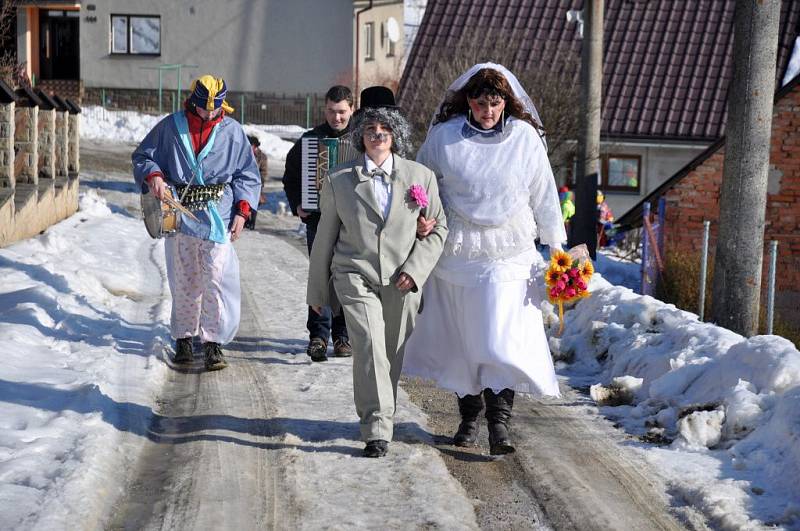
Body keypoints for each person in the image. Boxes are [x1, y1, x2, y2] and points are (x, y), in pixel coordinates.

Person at [403, 63, 565, 455]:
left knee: (499, 338)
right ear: (468, 102)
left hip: (508, 253)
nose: (488, 110)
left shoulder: (525, 138)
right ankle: (469, 416)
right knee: (465, 342)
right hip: (458, 252)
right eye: (480, 103)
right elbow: (420, 184)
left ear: (506, 102)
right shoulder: (443, 139)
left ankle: (500, 423)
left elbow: (544, 192)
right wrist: (420, 218)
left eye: (495, 102)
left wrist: (556, 245)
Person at [306, 105, 448, 458]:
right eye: (371, 128)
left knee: (390, 355)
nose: (378, 134)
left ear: (396, 135)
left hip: (402, 279)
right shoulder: (340, 180)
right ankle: (377, 429)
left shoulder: (420, 177)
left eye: (386, 128)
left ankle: (382, 413)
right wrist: (317, 292)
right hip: (354, 274)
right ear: (360, 136)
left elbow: (437, 229)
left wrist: (414, 270)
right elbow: (324, 238)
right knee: (368, 345)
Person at [133, 75, 261, 371]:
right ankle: (184, 340)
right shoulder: (170, 127)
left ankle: (213, 343)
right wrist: (154, 176)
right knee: (185, 280)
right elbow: (143, 156)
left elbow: (246, 174)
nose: (207, 114)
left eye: (213, 110)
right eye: (203, 109)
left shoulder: (233, 131)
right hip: (180, 215)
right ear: (193, 102)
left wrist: (243, 210)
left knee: (215, 279)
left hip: (218, 216)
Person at [283, 85, 355, 361]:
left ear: (351, 108)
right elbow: (290, 178)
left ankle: (343, 336)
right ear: (323, 109)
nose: (336, 118)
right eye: (331, 111)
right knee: (320, 276)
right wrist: (297, 204)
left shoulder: (362, 140)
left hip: (352, 225)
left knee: (347, 277)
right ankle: (318, 336)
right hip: (319, 220)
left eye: (342, 112)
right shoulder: (309, 141)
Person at [244, 134, 269, 230]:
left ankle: (252, 221)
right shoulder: (245, 154)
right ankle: (246, 220)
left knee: (255, 203)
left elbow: (264, 171)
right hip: (245, 182)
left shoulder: (262, 157)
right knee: (245, 201)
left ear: (254, 146)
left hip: (257, 183)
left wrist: (260, 183)